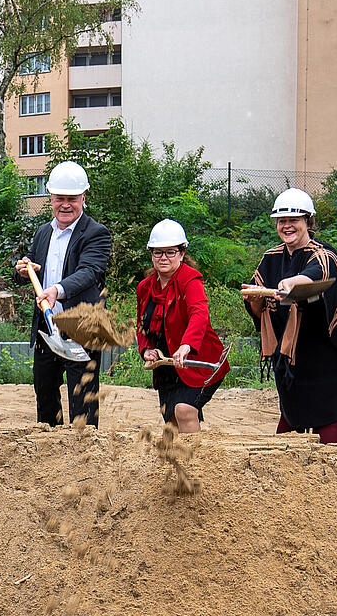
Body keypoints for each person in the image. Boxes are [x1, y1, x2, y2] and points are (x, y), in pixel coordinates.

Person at [241, 188, 337, 444]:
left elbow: (317, 274)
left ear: (307, 222)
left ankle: (332, 468)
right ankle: (286, 471)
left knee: (325, 413)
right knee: (291, 410)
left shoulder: (323, 253)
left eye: (294, 220)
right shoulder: (272, 257)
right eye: (282, 221)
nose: (287, 226)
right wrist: (255, 297)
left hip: (324, 348)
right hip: (289, 351)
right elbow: (256, 290)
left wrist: (293, 283)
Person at [13, 161, 112, 427]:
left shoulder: (96, 233)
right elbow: (29, 264)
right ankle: (49, 450)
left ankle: (86, 453)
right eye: (59, 199)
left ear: (83, 198)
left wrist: (58, 289)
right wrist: (23, 270)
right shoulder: (43, 232)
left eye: (71, 199)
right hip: (48, 328)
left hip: (81, 328)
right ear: (51, 199)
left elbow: (90, 271)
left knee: (83, 399)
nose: (65, 205)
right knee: (45, 393)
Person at [135, 219, 230, 433]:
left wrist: (187, 345)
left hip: (197, 361)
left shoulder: (190, 279)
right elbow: (142, 324)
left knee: (185, 410)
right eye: (158, 252)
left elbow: (199, 313)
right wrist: (147, 349)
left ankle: (196, 462)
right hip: (167, 365)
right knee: (170, 418)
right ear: (151, 254)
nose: (163, 258)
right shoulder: (144, 287)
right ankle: (178, 462)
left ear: (182, 253)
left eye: (170, 252)